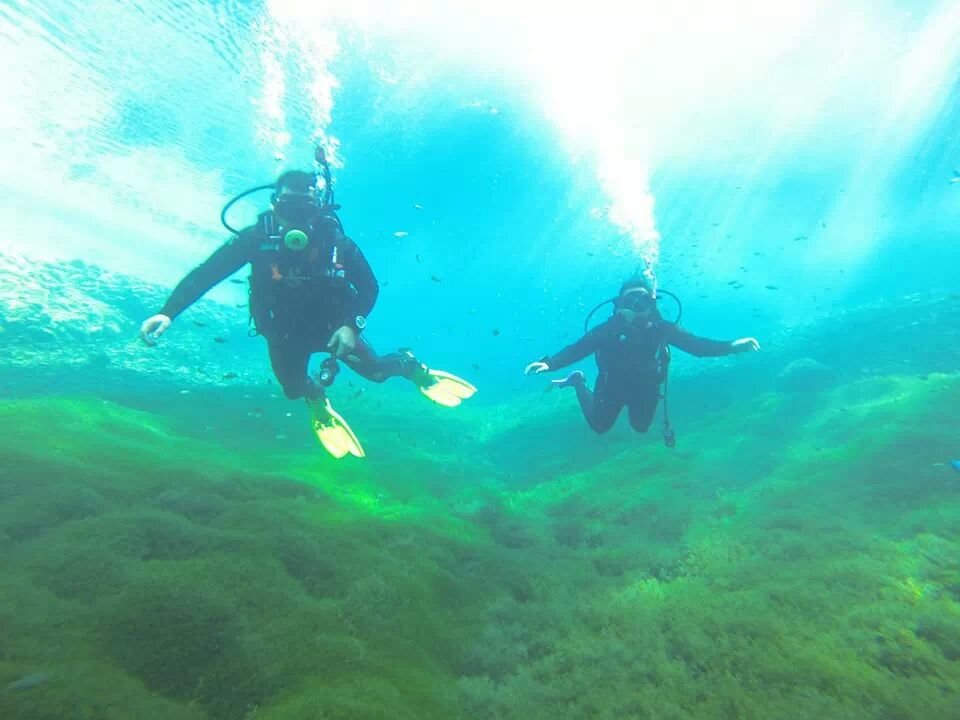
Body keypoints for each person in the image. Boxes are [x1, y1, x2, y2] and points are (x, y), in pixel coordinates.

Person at [140, 167, 476, 459]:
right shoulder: (256, 239)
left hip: (334, 330)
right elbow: (206, 274)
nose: (298, 217)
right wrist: (168, 312)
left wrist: (350, 327)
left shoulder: (336, 242)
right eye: (289, 206)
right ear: (275, 205)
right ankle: (316, 397)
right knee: (292, 388)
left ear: (318, 208)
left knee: (375, 373)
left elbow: (370, 287)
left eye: (306, 207)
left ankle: (408, 365)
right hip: (284, 335)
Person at [524, 269, 759, 445]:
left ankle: (580, 382)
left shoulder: (662, 328)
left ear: (651, 304)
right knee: (599, 426)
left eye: (642, 301)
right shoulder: (608, 328)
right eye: (630, 302)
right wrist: (549, 363)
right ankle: (577, 381)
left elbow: (697, 346)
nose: (636, 307)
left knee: (641, 427)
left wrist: (732, 346)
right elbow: (579, 348)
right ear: (618, 305)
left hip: (645, 386)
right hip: (611, 386)